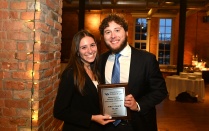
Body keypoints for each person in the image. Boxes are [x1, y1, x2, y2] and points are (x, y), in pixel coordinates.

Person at [98, 14, 168, 131]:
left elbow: (161, 91)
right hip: (108, 125)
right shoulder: (100, 60)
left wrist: (138, 105)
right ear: (103, 37)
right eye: (107, 32)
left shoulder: (147, 59)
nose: (113, 36)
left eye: (117, 30)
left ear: (126, 32)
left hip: (138, 124)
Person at [53, 30, 114, 131]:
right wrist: (92, 118)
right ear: (77, 51)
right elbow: (59, 111)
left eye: (92, 45)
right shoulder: (70, 74)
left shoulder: (97, 70)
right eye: (84, 47)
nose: (90, 51)